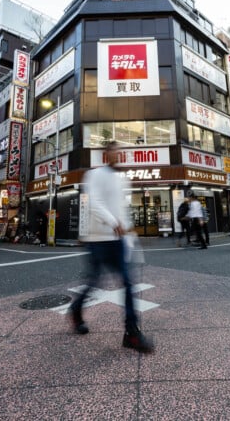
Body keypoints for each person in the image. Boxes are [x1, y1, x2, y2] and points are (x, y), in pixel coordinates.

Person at [68, 141, 153, 353]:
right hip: (97, 239)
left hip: (117, 241)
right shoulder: (94, 175)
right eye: (114, 151)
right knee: (94, 281)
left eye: (120, 151)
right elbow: (93, 203)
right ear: (106, 154)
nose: (118, 155)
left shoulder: (121, 179)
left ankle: (131, 333)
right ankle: (76, 310)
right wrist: (113, 223)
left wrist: (130, 237)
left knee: (127, 282)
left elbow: (122, 210)